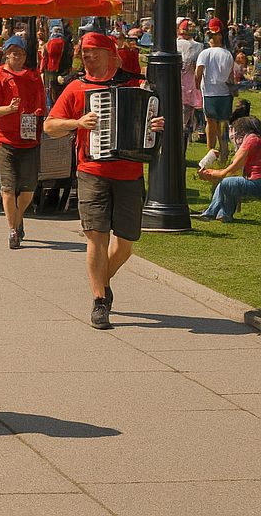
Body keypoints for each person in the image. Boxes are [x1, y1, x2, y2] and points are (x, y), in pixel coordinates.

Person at [44, 31, 165, 330]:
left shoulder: (135, 85)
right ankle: (100, 300)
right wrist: (77, 122)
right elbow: (49, 127)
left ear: (112, 55)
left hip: (129, 172)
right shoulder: (76, 88)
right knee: (96, 237)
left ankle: (102, 281)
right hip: (92, 171)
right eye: (85, 52)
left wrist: (155, 124)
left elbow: (153, 120)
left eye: (94, 51)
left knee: (125, 244)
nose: (87, 57)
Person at [0, 36, 45, 249]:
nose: (16, 55)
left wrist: (36, 112)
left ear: (25, 56)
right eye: (13, 51)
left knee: (28, 189)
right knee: (8, 187)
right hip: (4, 140)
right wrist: (7, 109)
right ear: (6, 54)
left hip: (28, 140)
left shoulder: (33, 77)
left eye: (20, 52)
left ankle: (17, 219)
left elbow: (41, 104)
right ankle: (13, 230)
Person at [196, 115, 261, 221]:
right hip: (257, 182)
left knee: (226, 182)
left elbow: (231, 170)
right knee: (231, 183)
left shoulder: (251, 140)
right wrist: (214, 172)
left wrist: (212, 173)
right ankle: (223, 214)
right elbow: (234, 169)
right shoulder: (256, 139)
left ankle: (210, 213)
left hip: (257, 183)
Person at [195, 23, 237, 164]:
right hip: (225, 93)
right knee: (224, 123)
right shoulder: (228, 54)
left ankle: (211, 152)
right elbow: (231, 76)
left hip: (210, 93)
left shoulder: (205, 53)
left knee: (211, 123)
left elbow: (198, 71)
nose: (210, 38)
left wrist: (197, 85)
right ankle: (224, 151)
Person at [177, 20, 204, 145]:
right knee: (185, 121)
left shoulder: (173, 44)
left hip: (175, 86)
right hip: (190, 87)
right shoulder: (198, 47)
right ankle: (181, 148)